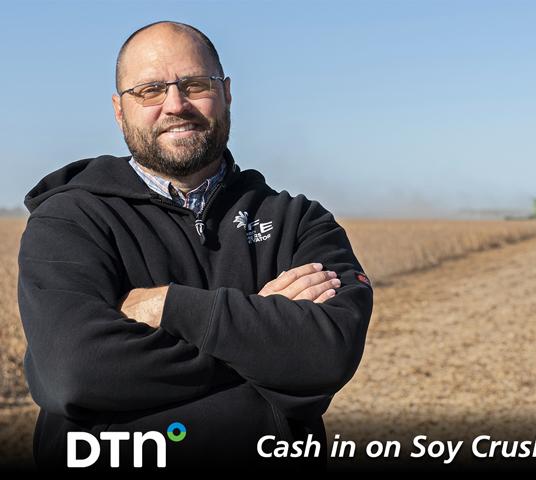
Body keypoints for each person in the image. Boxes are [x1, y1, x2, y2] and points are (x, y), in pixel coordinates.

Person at [17, 21, 373, 470]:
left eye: (195, 85)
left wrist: (171, 306)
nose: (175, 105)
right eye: (149, 90)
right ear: (118, 109)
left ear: (226, 93)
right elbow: (74, 372)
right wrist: (258, 335)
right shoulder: (69, 220)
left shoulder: (298, 222)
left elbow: (326, 354)